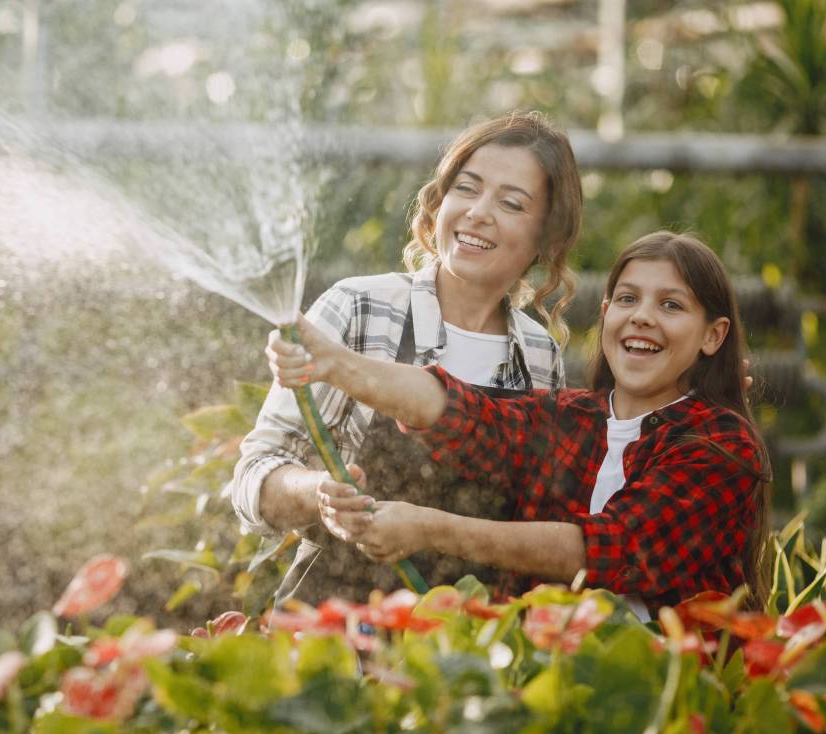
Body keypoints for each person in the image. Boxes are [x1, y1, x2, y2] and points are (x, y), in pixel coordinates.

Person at [267, 231, 772, 618]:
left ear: (713, 335)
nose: (641, 317)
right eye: (627, 299)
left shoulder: (723, 446)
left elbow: (603, 550)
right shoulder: (571, 419)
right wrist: (334, 363)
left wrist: (429, 529)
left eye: (671, 305)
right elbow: (459, 413)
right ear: (605, 313)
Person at [231, 111, 583, 602]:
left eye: (511, 203)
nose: (478, 212)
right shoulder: (360, 308)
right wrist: (318, 493)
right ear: (439, 202)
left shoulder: (538, 356)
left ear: (546, 236)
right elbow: (254, 478)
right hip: (338, 628)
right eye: (467, 188)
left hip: (471, 640)